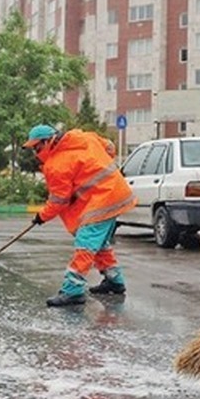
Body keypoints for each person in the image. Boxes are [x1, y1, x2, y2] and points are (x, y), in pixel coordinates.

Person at [23, 124, 137, 307]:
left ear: (48, 141)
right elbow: (110, 148)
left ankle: (72, 290)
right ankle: (114, 281)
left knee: (85, 244)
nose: (35, 152)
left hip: (102, 200)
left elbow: (58, 201)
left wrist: (41, 217)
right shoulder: (83, 137)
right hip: (117, 192)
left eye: (37, 147)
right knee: (100, 245)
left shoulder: (56, 165)